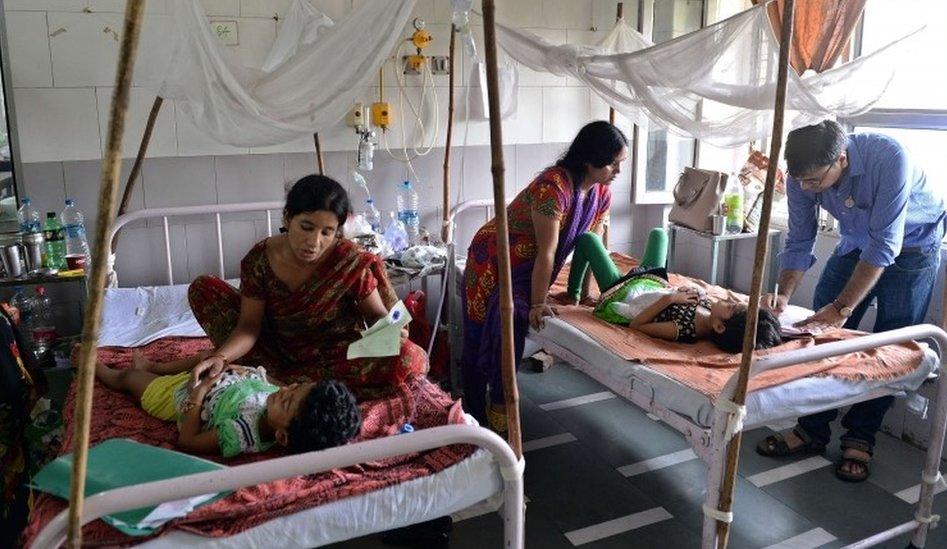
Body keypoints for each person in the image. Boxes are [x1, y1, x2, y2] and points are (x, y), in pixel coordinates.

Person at [757, 120, 947, 482]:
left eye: (814, 181)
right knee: (819, 335)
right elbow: (799, 239)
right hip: (856, 243)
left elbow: (885, 246)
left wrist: (842, 309)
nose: (806, 187)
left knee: (891, 345)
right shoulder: (802, 177)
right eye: (800, 181)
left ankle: (861, 436)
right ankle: (811, 429)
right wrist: (782, 293)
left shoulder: (890, 157)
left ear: (841, 159)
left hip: (912, 247)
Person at [188, 175, 427, 400]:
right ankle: (291, 383)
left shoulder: (348, 260)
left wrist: (387, 329)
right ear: (286, 219)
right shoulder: (260, 260)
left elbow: (375, 315)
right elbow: (249, 327)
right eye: (306, 227)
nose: (314, 242)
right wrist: (221, 356)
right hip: (274, 354)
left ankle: (274, 383)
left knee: (408, 356)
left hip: (338, 357)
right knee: (203, 288)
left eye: (327, 232)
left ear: (337, 232)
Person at [462, 121, 627, 432]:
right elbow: (547, 252)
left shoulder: (601, 194)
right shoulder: (552, 188)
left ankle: (494, 408)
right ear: (590, 160)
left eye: (621, 163)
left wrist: (584, 293)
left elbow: (590, 246)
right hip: (496, 262)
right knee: (494, 322)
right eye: (612, 163)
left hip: (535, 265)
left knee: (512, 313)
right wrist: (538, 304)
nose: (618, 170)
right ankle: (480, 412)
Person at [92, 351, 362, 457]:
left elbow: (187, 441)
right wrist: (237, 369)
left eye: (289, 398)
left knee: (131, 379)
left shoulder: (241, 432)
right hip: (217, 381)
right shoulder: (279, 404)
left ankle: (98, 368)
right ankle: (155, 365)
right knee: (209, 356)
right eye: (294, 386)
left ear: (281, 436)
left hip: (182, 398)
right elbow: (266, 382)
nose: (285, 390)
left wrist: (199, 393)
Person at [568, 230, 782, 353]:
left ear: (719, 326)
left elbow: (637, 325)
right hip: (652, 283)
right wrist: (685, 291)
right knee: (659, 234)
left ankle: (573, 295)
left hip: (623, 293)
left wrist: (671, 299)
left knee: (589, 239)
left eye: (731, 305)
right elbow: (714, 301)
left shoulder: (683, 328)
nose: (727, 299)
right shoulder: (711, 310)